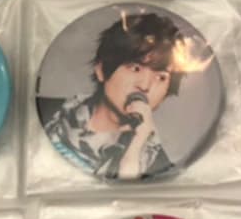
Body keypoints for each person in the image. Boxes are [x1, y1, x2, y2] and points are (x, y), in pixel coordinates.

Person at [43, 12, 183, 180]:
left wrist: (137, 144)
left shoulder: (162, 171)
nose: (145, 86)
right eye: (135, 68)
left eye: (161, 77)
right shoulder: (44, 109)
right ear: (101, 70)